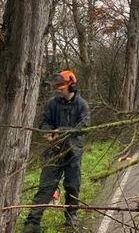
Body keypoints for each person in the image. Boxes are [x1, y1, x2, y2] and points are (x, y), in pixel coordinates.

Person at [24, 70, 90, 232]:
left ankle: (71, 215)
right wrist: (48, 132)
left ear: (71, 85)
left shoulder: (82, 105)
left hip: (73, 151)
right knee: (46, 185)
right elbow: (44, 122)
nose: (58, 89)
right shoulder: (51, 104)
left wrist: (61, 130)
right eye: (56, 86)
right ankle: (33, 221)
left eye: (61, 86)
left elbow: (84, 126)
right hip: (54, 151)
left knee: (72, 185)